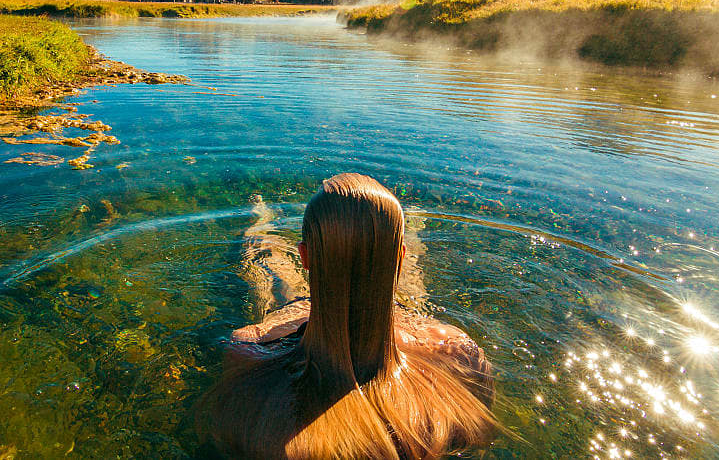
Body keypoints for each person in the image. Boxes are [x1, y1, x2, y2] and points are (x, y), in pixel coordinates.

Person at [199, 173, 497, 459]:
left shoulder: (251, 347)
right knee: (405, 281)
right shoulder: (456, 349)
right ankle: (413, 223)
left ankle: (260, 218)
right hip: (403, 313)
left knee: (264, 256)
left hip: (299, 308)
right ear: (400, 257)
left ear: (304, 256)